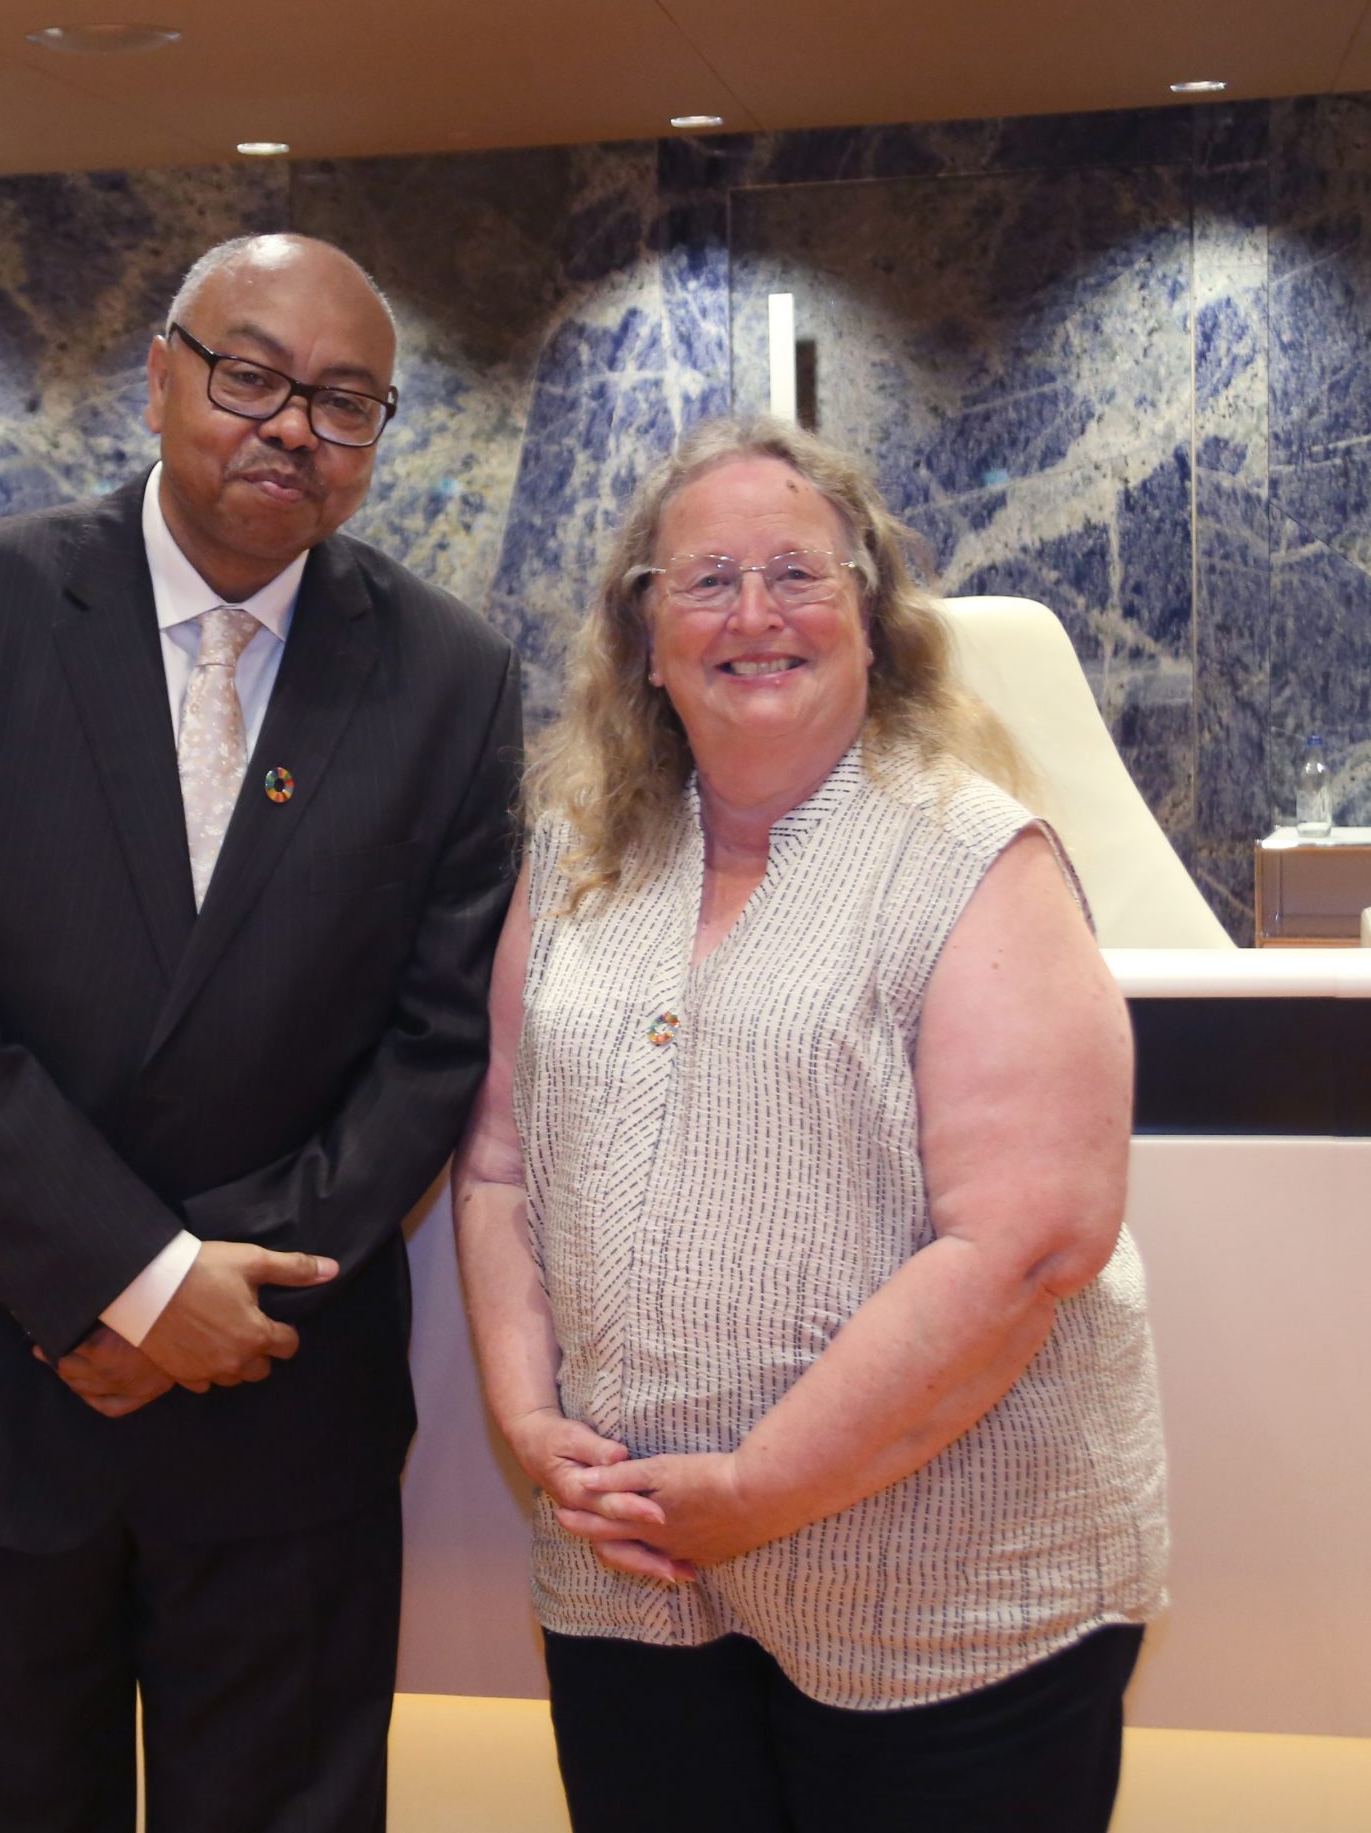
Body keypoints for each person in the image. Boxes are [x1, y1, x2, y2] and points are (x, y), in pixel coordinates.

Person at [0, 234, 521, 1833]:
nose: (291, 427)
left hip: (280, 1409)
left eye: (344, 402)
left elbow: (434, 1044)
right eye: (251, 375)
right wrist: (133, 1283)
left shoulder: (451, 679)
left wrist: (227, 1297)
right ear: (159, 378)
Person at [453, 417, 1167, 1832]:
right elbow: (498, 1164)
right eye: (707, 582)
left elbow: (1030, 1242)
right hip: (631, 1580)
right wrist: (530, 1418)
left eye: (797, 574)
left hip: (948, 1596)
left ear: (872, 619)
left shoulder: (973, 855)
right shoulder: (579, 853)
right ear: (644, 635)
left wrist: (756, 1487)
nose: (755, 615)